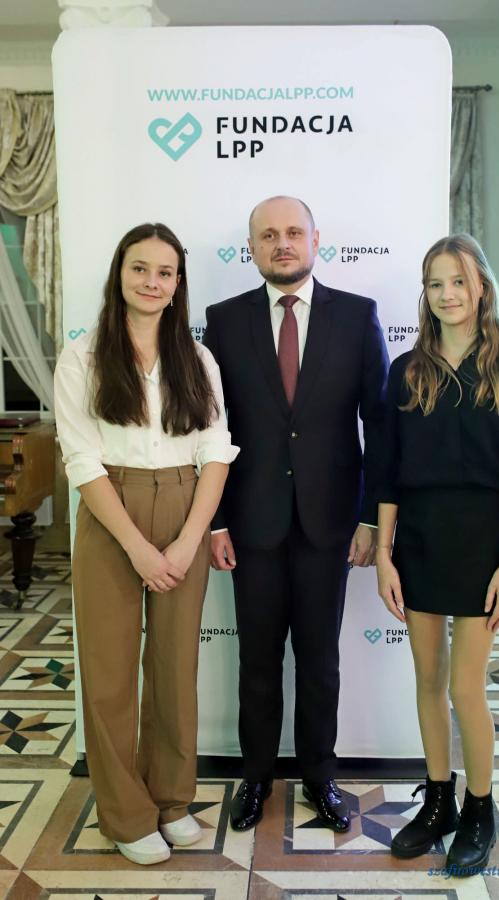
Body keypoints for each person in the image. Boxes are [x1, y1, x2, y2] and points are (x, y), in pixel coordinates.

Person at [54, 223, 238, 866]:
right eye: (140, 268)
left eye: (165, 272)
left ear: (178, 284)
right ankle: (125, 814)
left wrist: (188, 542)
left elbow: (215, 451)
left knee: (174, 670)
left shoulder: (198, 358)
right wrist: (136, 547)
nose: (151, 282)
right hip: (112, 513)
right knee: (108, 675)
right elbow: (82, 461)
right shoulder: (82, 357)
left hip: (185, 507)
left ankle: (170, 800)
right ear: (120, 273)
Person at [203, 195, 389, 833]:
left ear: (315, 239)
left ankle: (319, 775)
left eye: (292, 232)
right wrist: (216, 521)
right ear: (251, 248)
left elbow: (379, 424)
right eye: (267, 235)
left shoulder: (357, 316)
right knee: (257, 661)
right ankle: (255, 776)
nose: (281, 243)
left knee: (319, 660)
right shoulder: (223, 321)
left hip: (329, 524)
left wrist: (371, 519)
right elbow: (211, 427)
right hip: (251, 524)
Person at [376, 234, 499, 875]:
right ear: (425, 293)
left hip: (482, 544)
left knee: (465, 687)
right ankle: (439, 800)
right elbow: (387, 474)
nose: (447, 294)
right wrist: (384, 554)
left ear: (481, 289)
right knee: (427, 680)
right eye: (435, 283)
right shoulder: (406, 369)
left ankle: (479, 807)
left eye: (458, 281)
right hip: (418, 540)